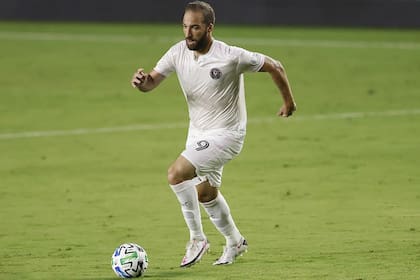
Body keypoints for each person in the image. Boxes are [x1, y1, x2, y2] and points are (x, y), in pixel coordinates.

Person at [131, 1, 296, 267]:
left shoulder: (230, 55)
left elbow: (275, 65)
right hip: (198, 134)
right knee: (205, 194)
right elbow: (152, 81)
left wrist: (288, 102)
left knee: (176, 174)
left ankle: (197, 238)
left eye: (195, 27)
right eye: (185, 26)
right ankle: (235, 242)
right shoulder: (177, 53)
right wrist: (141, 83)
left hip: (228, 134)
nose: (188, 33)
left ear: (209, 28)